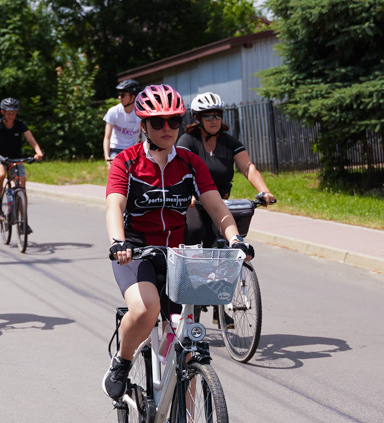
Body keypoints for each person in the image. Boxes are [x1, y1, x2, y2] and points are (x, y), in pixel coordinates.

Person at [101, 85, 255, 400]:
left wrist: (235, 238)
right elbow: (114, 205)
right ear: (143, 125)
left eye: (173, 120)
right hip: (137, 254)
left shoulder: (188, 161)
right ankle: (122, 360)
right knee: (147, 309)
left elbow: (214, 205)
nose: (167, 128)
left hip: (177, 255)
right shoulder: (127, 162)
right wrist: (118, 243)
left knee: (187, 342)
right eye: (157, 122)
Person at [177, 92, 276, 247]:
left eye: (217, 115)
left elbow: (248, 167)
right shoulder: (188, 140)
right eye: (208, 116)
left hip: (219, 201)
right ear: (197, 118)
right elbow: (179, 168)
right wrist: (187, 193)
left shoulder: (229, 142)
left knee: (221, 241)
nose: (214, 120)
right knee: (194, 230)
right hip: (193, 202)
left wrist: (264, 191)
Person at [0, 97, 43, 220]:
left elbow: (31, 140)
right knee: (0, 175)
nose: (11, 116)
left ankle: (23, 220)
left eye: (13, 113)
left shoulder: (20, 125)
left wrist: (38, 152)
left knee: (22, 183)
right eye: (9, 113)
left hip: (16, 158)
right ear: (3, 113)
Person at [102, 79, 141, 167]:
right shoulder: (113, 111)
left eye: (123, 95)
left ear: (133, 97)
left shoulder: (139, 113)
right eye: (119, 94)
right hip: (115, 149)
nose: (119, 97)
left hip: (132, 150)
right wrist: (107, 156)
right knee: (118, 171)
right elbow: (107, 137)